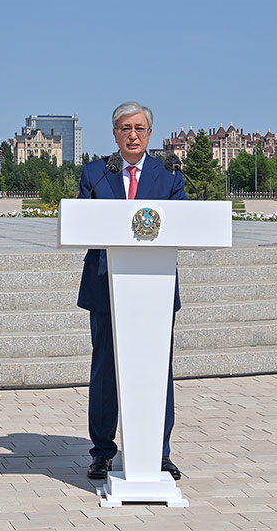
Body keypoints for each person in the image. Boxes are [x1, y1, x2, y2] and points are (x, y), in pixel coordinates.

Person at [77, 101, 186, 481]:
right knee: (105, 371)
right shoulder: (94, 173)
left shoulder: (169, 173)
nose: (133, 134)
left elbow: (182, 223)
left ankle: (159, 453)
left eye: (140, 128)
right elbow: (83, 223)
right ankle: (102, 452)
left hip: (154, 288)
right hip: (106, 287)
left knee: (159, 372)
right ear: (115, 134)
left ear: (150, 134)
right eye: (126, 128)